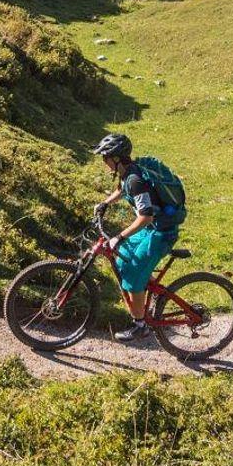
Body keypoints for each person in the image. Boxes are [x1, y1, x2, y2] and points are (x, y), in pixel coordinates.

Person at [93, 132, 186, 341]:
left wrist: (119, 236)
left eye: (105, 157)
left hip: (161, 233)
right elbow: (122, 189)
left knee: (132, 275)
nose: (104, 161)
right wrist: (105, 203)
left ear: (116, 158)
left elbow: (145, 217)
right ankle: (151, 291)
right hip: (152, 228)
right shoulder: (128, 173)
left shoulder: (135, 180)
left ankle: (140, 326)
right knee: (122, 260)